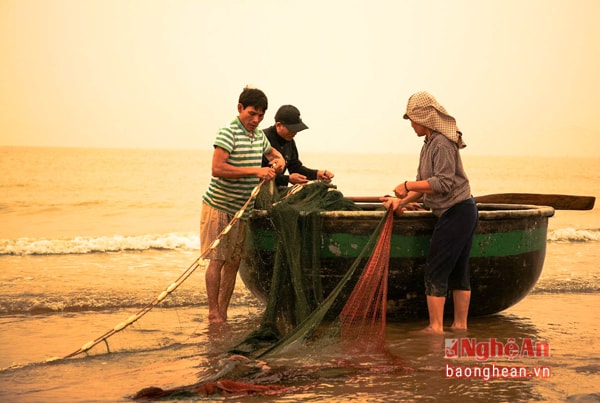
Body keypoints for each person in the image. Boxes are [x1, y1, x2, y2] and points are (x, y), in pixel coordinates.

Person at [382, 91, 478, 335]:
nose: (411, 125)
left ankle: (436, 328)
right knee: (458, 270)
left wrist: (407, 187)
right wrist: (400, 202)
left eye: (413, 120)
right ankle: (459, 326)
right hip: (460, 212)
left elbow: (443, 183)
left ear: (425, 119)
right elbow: (424, 185)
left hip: (457, 212)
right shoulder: (428, 145)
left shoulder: (443, 143)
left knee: (436, 269)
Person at [201, 87, 285, 324]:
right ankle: (213, 312)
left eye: (261, 115)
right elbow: (217, 168)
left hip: (243, 209)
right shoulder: (228, 133)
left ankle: (223, 313)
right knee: (217, 259)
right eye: (252, 114)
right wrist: (256, 170)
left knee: (234, 261)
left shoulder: (259, 136)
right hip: (219, 205)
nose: (256, 120)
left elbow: (276, 156)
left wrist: (277, 163)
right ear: (240, 109)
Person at [261, 105, 333, 190]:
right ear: (278, 125)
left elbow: (295, 168)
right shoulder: (263, 139)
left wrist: (317, 174)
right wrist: (287, 179)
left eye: (297, 129)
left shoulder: (290, 141)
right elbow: (258, 173)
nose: (295, 132)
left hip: (276, 189)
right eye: (292, 129)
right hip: (258, 190)